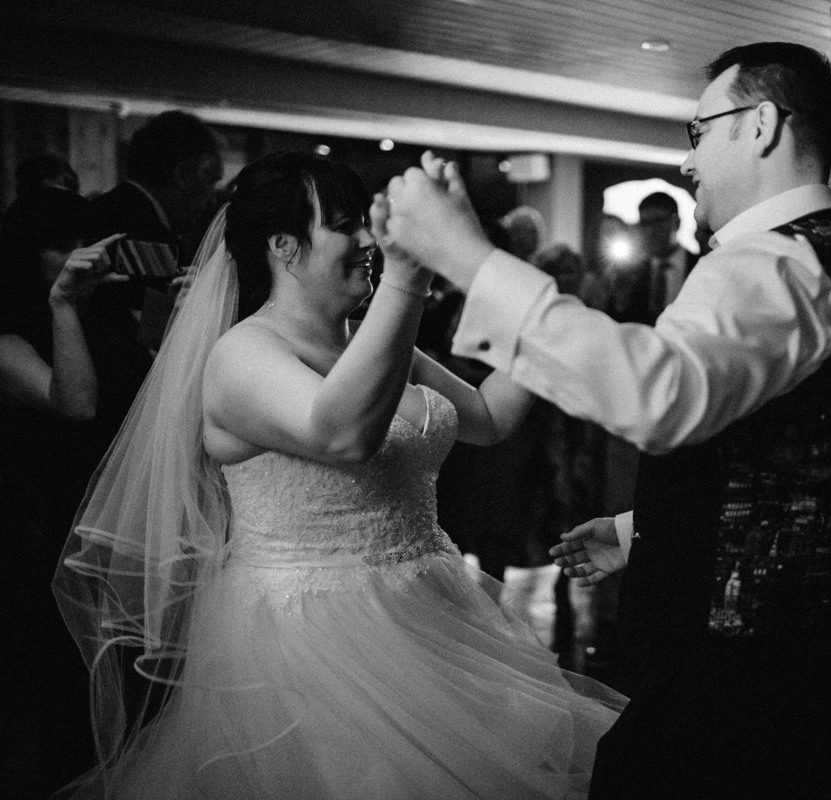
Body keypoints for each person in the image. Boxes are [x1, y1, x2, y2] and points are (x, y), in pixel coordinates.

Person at [381, 41, 831, 799]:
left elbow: (663, 398)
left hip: (732, 672)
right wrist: (647, 529)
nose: (688, 163)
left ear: (761, 124)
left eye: (699, 132)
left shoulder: (772, 262)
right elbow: (800, 459)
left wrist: (467, 258)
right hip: (816, 653)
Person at [53, 150, 625, 799]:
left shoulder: (377, 344)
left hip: (431, 606)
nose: (369, 239)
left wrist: (542, 324)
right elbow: (341, 432)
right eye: (348, 223)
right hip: (311, 645)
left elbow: (488, 418)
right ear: (285, 248)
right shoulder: (241, 357)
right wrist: (407, 279)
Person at [0, 189, 129, 797]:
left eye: (83, 239)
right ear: (28, 255)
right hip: (45, 526)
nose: (77, 255)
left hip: (112, 519)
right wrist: (64, 308)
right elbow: (75, 405)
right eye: (60, 245)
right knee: (64, 688)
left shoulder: (106, 313)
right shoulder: (10, 334)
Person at [90, 110, 224, 352]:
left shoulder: (106, 209)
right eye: (211, 181)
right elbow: (154, 338)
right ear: (183, 175)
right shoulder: (148, 236)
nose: (212, 199)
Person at [635, 191, 699, 317]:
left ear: (677, 222)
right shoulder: (633, 271)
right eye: (645, 223)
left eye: (658, 221)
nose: (650, 230)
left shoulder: (700, 266)